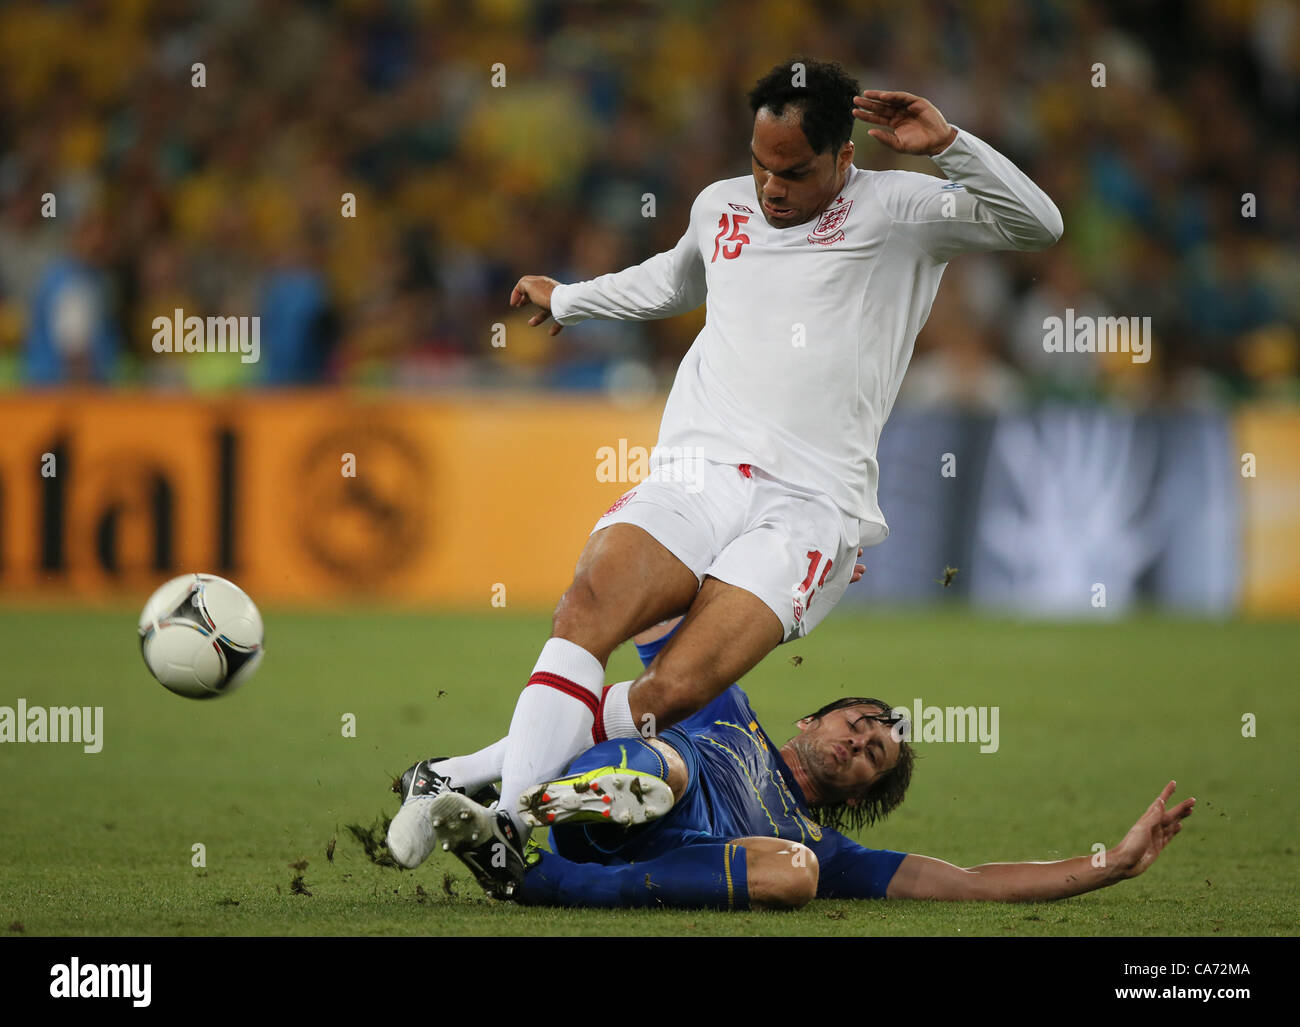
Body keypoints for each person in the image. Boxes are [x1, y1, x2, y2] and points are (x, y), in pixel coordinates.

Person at [396, 57, 1064, 879]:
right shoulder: (721, 206)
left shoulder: (902, 209)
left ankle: (456, 777)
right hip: (701, 465)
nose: (771, 188)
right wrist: (569, 299)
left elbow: (1039, 226)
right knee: (587, 604)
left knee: (670, 694)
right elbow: (676, 279)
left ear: (843, 158)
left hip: (811, 508)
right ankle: (505, 826)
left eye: (793, 171)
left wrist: (951, 145)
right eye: (760, 164)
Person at [406, 621, 1196, 909]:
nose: (861, 741)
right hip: (632, 778)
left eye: (875, 753)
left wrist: (1111, 864)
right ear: (814, 716)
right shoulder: (726, 701)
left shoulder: (825, 844)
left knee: (794, 876)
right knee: (667, 754)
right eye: (860, 723)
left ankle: (507, 835)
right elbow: (665, 594)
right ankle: (525, 807)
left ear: (863, 793)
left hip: (662, 858)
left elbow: (971, 880)